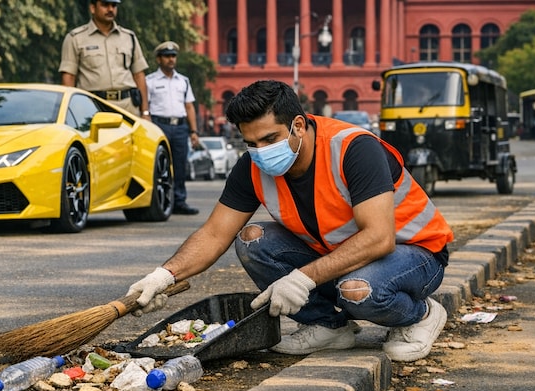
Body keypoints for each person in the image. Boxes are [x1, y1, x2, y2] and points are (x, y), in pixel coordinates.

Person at [125, 80, 454, 363]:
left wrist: (302, 278)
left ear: (298, 125)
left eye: (270, 139)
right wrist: (164, 276)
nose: (261, 151)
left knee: (358, 292)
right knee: (252, 239)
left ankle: (421, 315)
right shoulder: (253, 166)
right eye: (250, 143)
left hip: (414, 254)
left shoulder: (353, 149)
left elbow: (379, 238)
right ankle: (328, 327)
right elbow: (214, 233)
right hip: (342, 257)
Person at [59, 0, 149, 118]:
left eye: (114, 5)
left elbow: (139, 75)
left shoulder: (129, 37)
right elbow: (69, 77)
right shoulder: (75, 38)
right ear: (92, 8)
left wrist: (145, 112)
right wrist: (70, 113)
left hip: (128, 108)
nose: (110, 9)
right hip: (92, 107)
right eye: (105, 5)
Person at [146, 41, 200, 215]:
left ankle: (179, 201)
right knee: (158, 166)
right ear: (158, 59)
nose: (171, 59)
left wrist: (193, 131)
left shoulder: (183, 81)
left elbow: (189, 106)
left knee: (179, 165)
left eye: (173, 56)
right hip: (158, 125)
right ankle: (158, 201)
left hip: (179, 127)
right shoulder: (149, 81)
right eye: (167, 56)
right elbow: (144, 106)